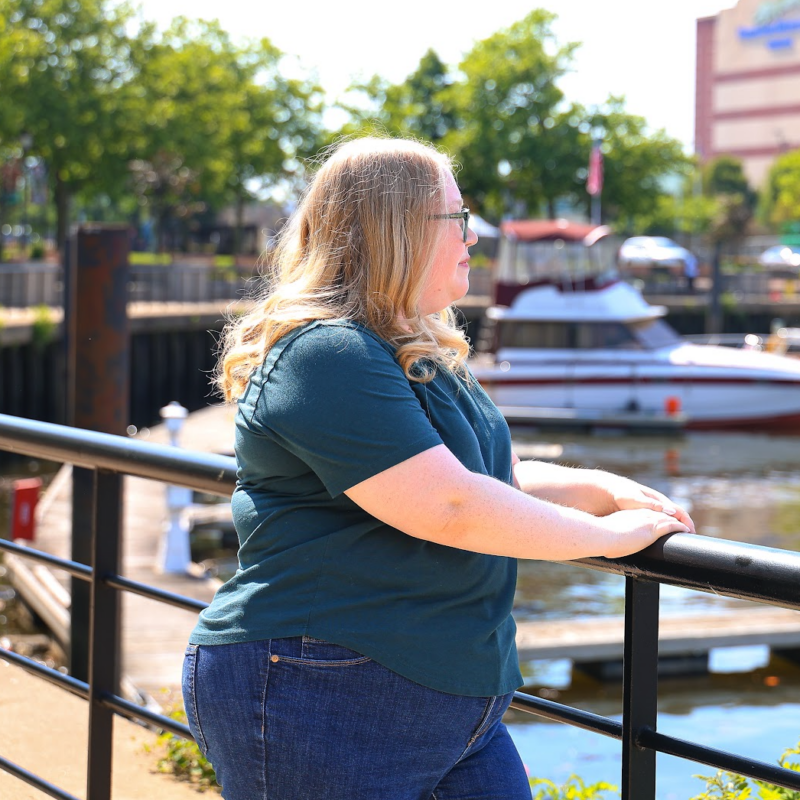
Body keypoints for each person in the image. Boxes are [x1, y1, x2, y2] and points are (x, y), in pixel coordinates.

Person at [182, 136, 693, 800]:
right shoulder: (326, 353)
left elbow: (492, 479)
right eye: (458, 218)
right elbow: (448, 505)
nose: (473, 238)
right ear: (396, 228)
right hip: (321, 684)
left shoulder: (419, 351)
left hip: (454, 698)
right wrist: (609, 540)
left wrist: (609, 491)